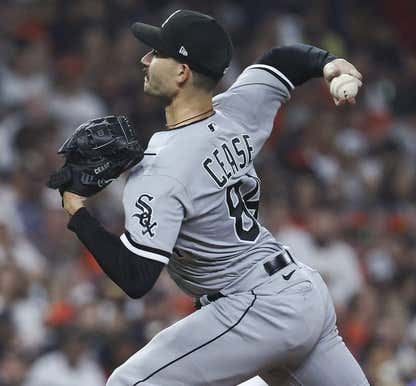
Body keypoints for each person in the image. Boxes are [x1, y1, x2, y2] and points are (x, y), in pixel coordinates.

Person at [59, 9, 369, 385]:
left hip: (255, 308)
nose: (145, 59)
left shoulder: (161, 169)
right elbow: (283, 61)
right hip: (302, 294)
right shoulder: (238, 108)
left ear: (182, 72)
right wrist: (330, 64)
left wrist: (77, 210)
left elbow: (136, 277)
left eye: (157, 52)